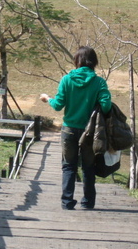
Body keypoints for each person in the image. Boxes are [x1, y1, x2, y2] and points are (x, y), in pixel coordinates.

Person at [40, 46, 112, 210]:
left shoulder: (66, 80)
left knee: (68, 166)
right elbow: (106, 106)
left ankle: (67, 201)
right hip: (90, 132)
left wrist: (47, 99)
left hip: (69, 130)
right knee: (88, 167)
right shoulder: (99, 82)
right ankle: (88, 202)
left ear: (77, 61)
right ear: (93, 62)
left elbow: (58, 105)